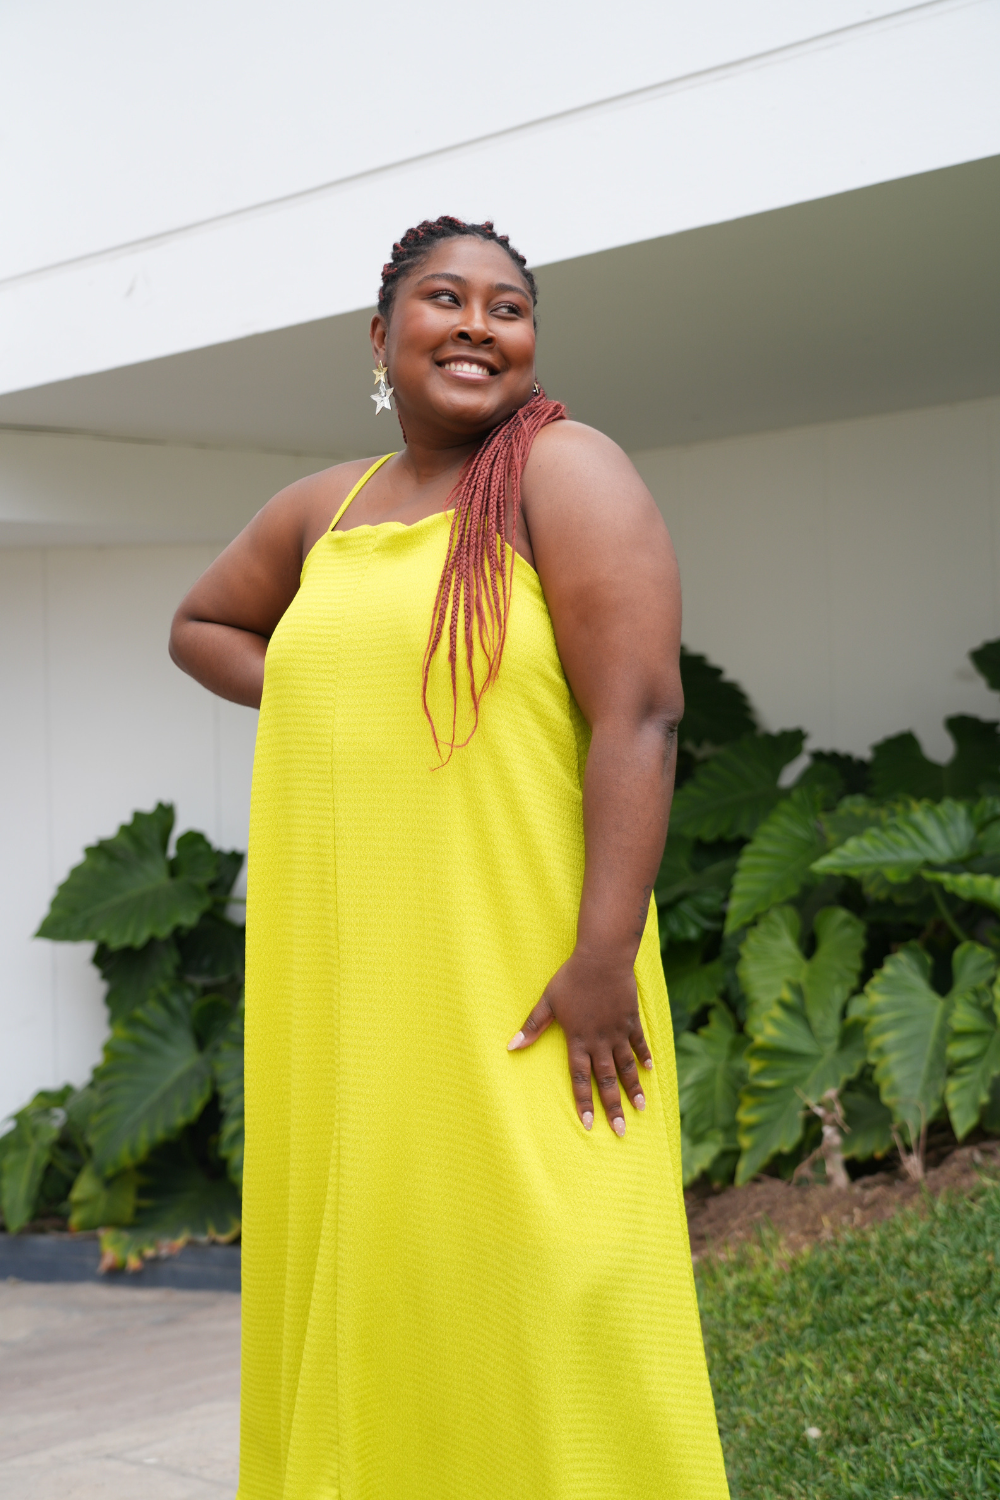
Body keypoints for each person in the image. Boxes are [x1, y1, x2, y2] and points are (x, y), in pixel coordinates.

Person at [170, 215, 729, 1500]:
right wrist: (337, 700)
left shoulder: (565, 473)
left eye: (507, 307)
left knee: (560, 1279)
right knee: (391, 1279)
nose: (478, 324)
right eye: (444, 298)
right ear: (380, 337)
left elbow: (641, 716)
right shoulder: (325, 509)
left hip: (537, 973)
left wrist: (603, 959)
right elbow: (202, 626)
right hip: (368, 983)